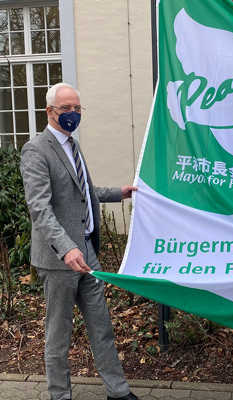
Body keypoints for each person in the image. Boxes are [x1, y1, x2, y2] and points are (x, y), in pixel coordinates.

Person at [20, 82, 139, 400]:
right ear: (50, 111)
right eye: (66, 109)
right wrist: (66, 247)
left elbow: (83, 193)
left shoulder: (73, 145)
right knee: (58, 334)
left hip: (87, 252)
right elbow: (40, 209)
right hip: (59, 259)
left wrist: (120, 193)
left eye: (77, 109)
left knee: (101, 326)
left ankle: (118, 390)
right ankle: (60, 395)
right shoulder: (36, 150)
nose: (72, 114)